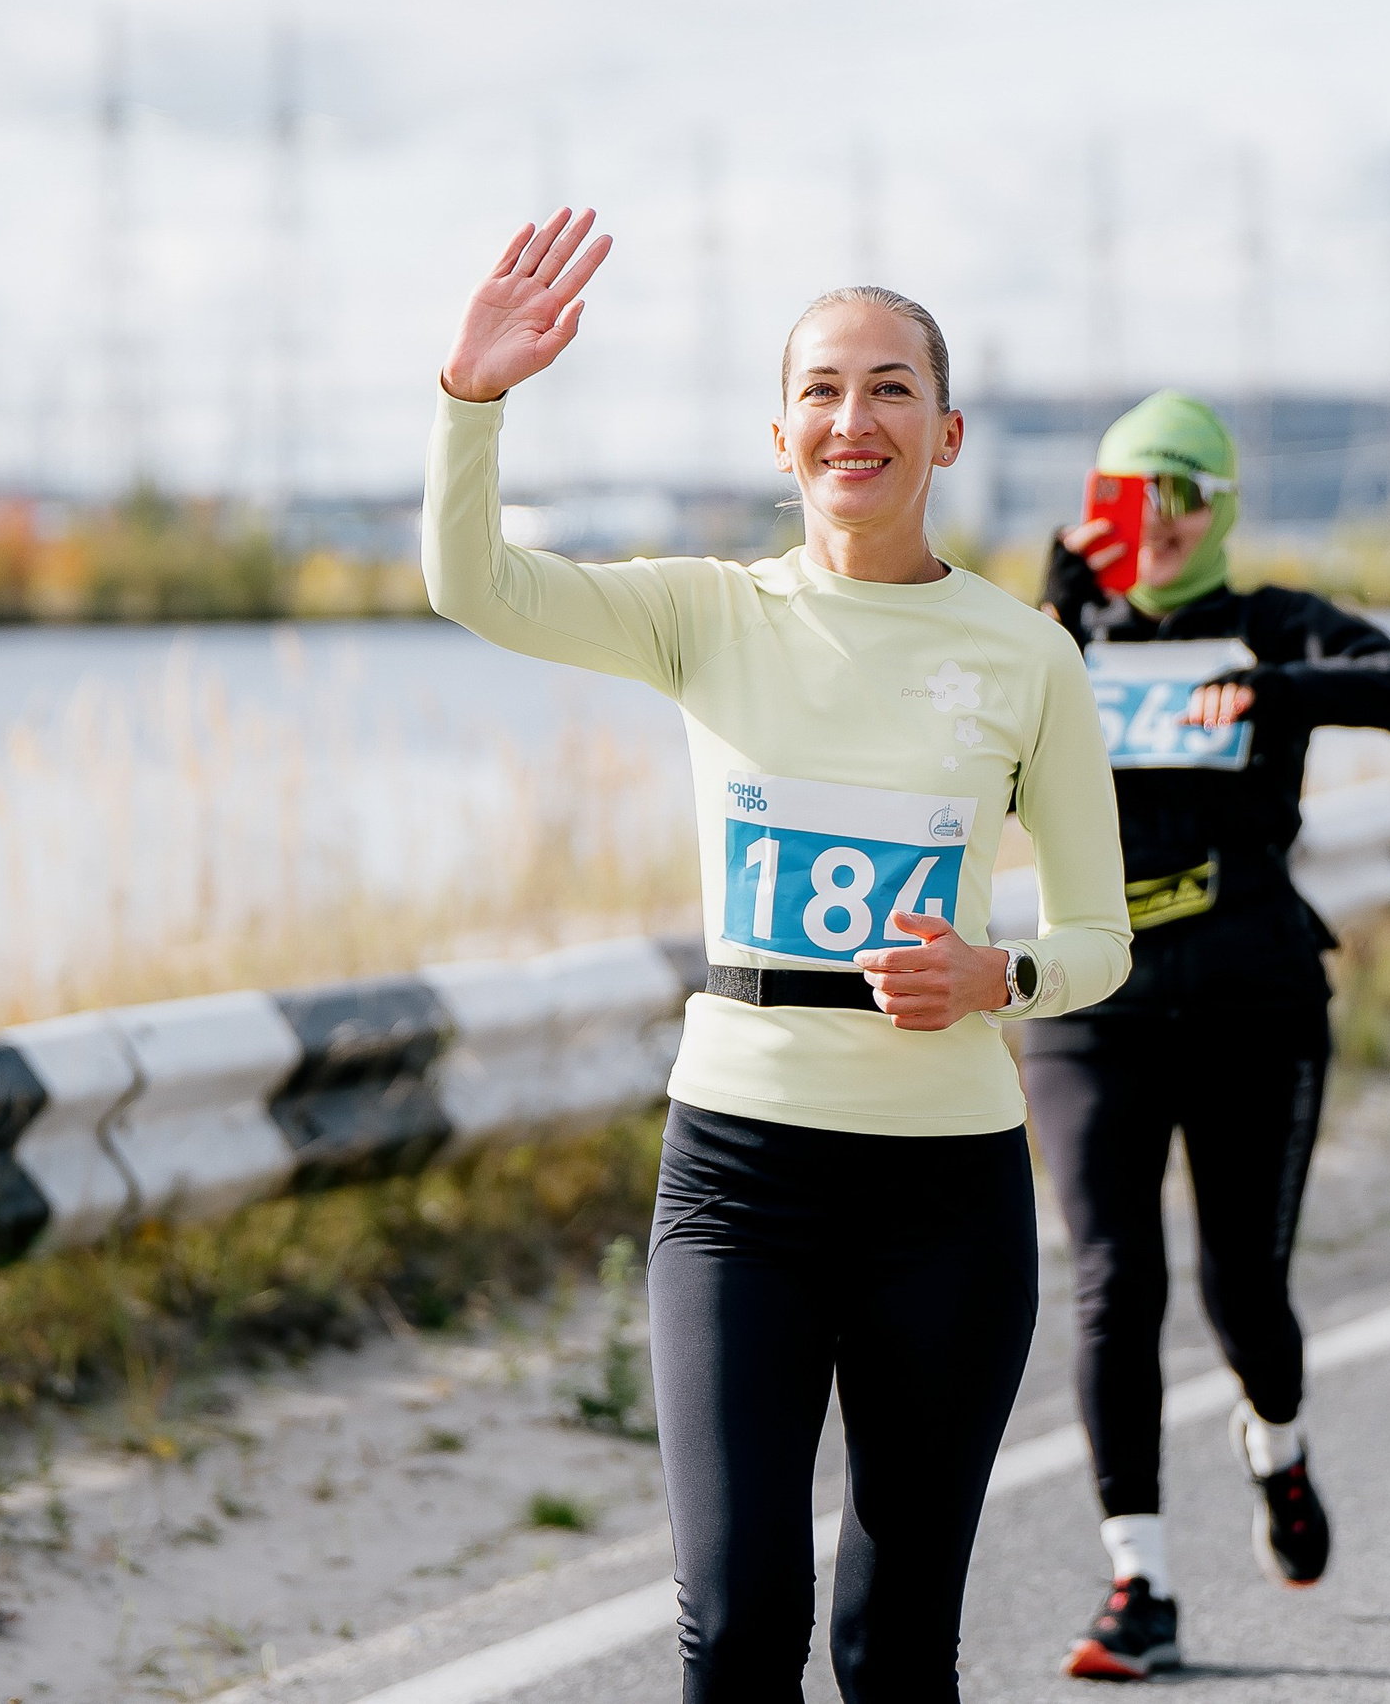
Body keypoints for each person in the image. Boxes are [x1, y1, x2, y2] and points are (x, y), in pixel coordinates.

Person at [425, 210, 1132, 1702]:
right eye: (821, 387)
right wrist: (472, 400)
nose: (851, 416)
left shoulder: (1029, 655)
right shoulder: (706, 613)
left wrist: (997, 975)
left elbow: (1099, 939)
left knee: (892, 1649)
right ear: (780, 431)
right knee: (740, 1620)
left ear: (945, 431)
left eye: (888, 387)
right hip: (742, 1175)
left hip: (945, 1187)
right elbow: (475, 585)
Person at [1027, 391, 1390, 1680]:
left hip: (1258, 1002)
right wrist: (1046, 612)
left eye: (1186, 494)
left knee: (1241, 1298)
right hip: (1093, 1008)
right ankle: (1137, 1585)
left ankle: (1276, 1445)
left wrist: (1272, 689)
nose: (1159, 520)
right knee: (1113, 1284)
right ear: (1098, 503)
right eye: (1132, 493)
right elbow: (946, 747)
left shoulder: (1269, 621)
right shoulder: (1060, 638)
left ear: (1222, 507)